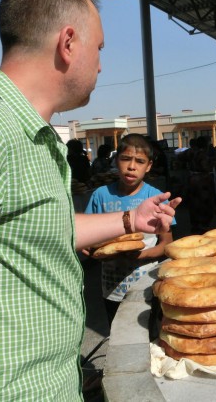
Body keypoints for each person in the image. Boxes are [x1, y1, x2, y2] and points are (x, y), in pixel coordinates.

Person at [0, 0, 180, 401]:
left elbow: (45, 229)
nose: (102, 63)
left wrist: (131, 218)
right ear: (68, 43)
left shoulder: (27, 136)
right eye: (100, 48)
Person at [85, 134, 174, 325]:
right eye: (126, 159)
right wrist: (95, 252)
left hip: (146, 285)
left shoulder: (155, 197)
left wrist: (142, 255)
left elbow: (167, 244)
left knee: (146, 334)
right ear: (116, 161)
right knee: (117, 333)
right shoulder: (100, 196)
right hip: (111, 287)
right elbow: (86, 241)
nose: (132, 166)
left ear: (148, 166)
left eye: (139, 161)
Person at [187, 135, 215, 233]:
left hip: (192, 180)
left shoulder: (192, 153)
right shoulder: (203, 155)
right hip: (203, 181)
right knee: (204, 204)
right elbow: (205, 167)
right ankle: (203, 225)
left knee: (194, 203)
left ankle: (196, 225)